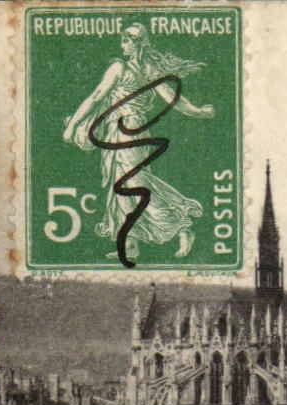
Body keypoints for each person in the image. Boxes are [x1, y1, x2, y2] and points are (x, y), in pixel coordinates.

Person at [60, 24, 214, 262]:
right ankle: (129, 243)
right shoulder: (144, 68)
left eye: (125, 40)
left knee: (134, 183)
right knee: (118, 188)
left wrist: (72, 126)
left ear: (137, 42)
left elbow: (97, 96)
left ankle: (182, 227)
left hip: (128, 132)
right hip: (119, 130)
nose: (122, 45)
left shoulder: (122, 68)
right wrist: (198, 111)